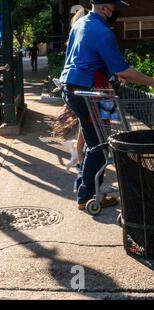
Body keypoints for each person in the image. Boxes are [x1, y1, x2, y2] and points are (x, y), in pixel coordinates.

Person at [60, 0, 154, 211]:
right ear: (104, 9)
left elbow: (84, 58)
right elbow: (123, 70)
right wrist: (151, 81)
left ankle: (86, 189)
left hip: (76, 87)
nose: (114, 13)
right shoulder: (103, 31)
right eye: (113, 9)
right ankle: (88, 195)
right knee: (101, 145)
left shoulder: (80, 23)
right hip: (92, 91)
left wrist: (113, 74)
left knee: (96, 139)